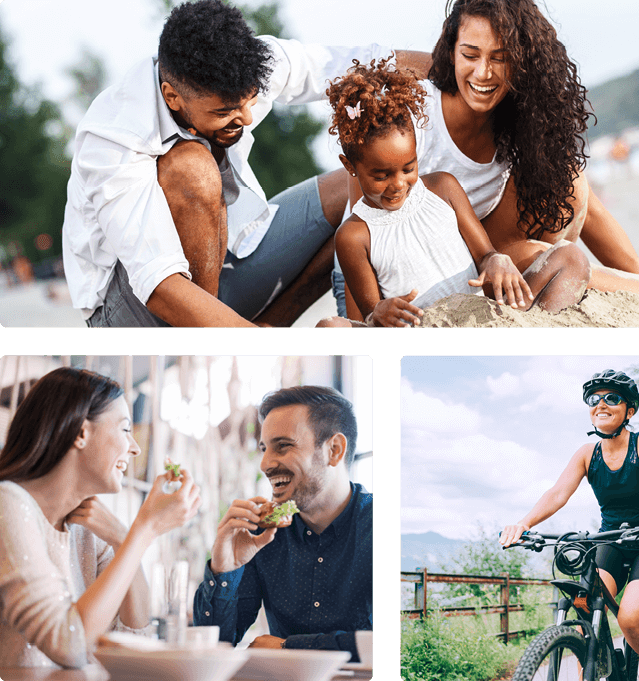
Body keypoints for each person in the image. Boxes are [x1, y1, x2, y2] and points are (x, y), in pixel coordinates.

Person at [332, 0, 639, 316]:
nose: (483, 73)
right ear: (451, 50)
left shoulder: (514, 124)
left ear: (522, 59)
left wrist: (494, 260)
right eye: (470, 54)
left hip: (467, 256)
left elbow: (584, 211)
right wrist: (365, 320)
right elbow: (366, 236)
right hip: (390, 278)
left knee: (568, 184)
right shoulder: (403, 124)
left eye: (500, 57)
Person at [62, 0, 430, 327]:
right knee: (193, 167)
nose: (246, 118)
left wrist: (453, 66)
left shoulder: (253, 62)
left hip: (223, 261)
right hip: (133, 306)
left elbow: (365, 64)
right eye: (225, 111)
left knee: (354, 193)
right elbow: (158, 283)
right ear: (172, 96)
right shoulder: (112, 138)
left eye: (250, 101)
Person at [319, 57, 589, 327]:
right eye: (381, 175)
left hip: (480, 318)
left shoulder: (443, 187)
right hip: (421, 329)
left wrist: (497, 260)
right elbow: (369, 314)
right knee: (329, 327)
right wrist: (379, 312)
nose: (398, 184)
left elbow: (485, 255)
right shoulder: (353, 235)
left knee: (570, 257)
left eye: (408, 168)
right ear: (350, 166)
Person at [0, 367, 202, 668]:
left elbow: (135, 634)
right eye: (124, 429)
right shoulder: (7, 503)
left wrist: (124, 537)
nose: (134, 448)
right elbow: (68, 645)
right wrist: (144, 530)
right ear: (81, 433)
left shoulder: (86, 530)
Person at [499, 370, 639, 681]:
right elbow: (557, 493)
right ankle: (594, 674)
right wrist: (523, 524)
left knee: (631, 619)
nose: (601, 404)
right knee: (585, 606)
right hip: (610, 540)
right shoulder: (587, 453)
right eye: (594, 400)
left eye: (612, 399)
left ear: (629, 410)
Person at [193, 386, 371, 662]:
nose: (265, 464)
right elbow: (213, 649)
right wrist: (224, 568)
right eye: (264, 448)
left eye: (283, 446)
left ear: (334, 450)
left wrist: (290, 648)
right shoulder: (261, 536)